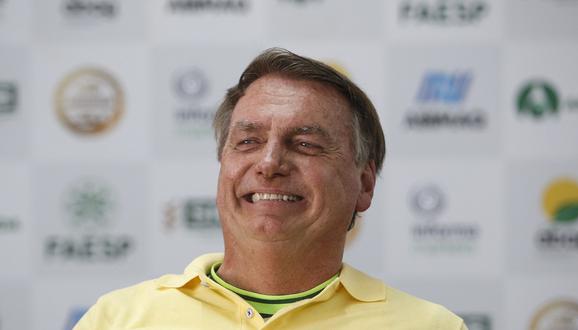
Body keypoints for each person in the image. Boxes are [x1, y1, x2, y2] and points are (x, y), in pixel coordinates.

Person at [75, 48, 468, 330]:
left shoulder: (429, 326)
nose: (268, 164)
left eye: (305, 144)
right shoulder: (116, 319)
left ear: (364, 184)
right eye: (248, 141)